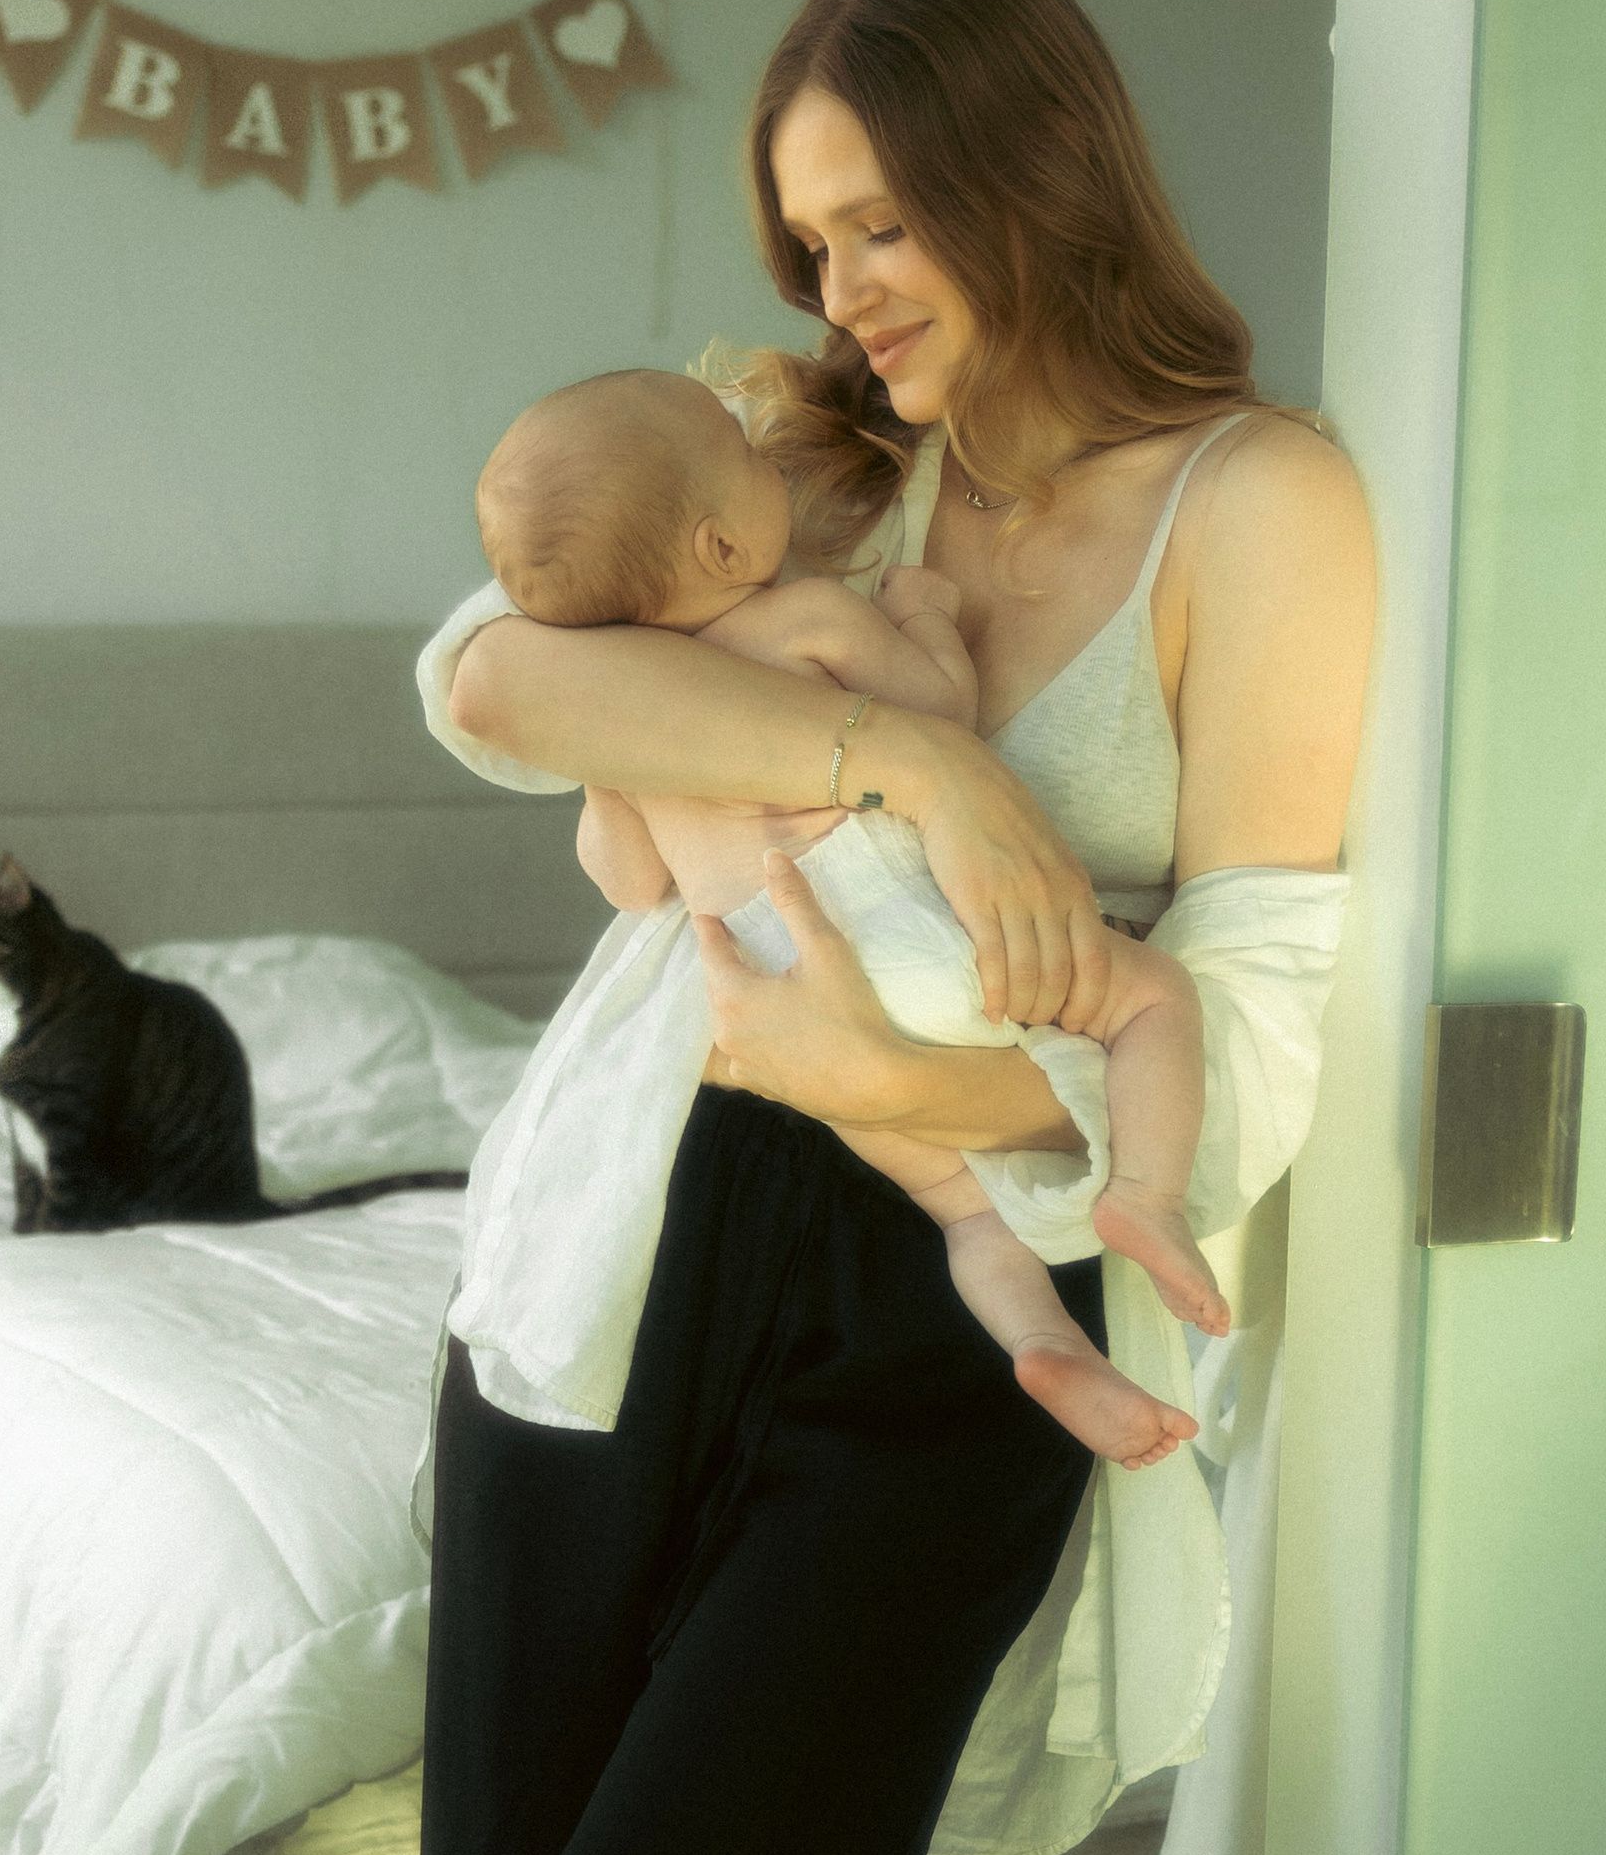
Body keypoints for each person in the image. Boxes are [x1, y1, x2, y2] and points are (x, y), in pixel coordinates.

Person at [396, 0, 1376, 1855]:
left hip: (936, 1340)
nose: (847, 292)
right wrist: (877, 760)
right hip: (601, 1284)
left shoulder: (1257, 505)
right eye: (809, 239)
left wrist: (899, 1092)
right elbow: (488, 664)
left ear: (1028, 158)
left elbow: (1276, 1027)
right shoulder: (826, 460)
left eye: (880, 219)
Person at [466, 362, 1223, 1467]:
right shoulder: (805, 616)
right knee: (1155, 996)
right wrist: (922, 614)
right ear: (724, 549)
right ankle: (1147, 1196)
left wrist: (601, 773)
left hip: (783, 1011)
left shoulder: (632, 725)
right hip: (912, 936)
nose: (767, 457)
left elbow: (631, 882)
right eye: (747, 457)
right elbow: (942, 718)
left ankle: (1041, 1343)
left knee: (963, 1206)